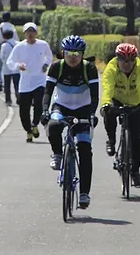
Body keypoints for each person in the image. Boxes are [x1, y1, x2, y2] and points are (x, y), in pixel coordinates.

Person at [41, 34, 99, 210]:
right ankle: (58, 154)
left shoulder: (89, 69)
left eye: (77, 53)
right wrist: (45, 110)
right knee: (53, 125)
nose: (73, 57)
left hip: (83, 108)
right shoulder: (56, 68)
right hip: (62, 107)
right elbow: (47, 92)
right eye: (69, 53)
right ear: (63, 53)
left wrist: (91, 114)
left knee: (85, 151)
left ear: (82, 54)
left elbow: (95, 95)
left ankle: (84, 193)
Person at [100, 42, 140, 188]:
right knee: (109, 113)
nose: (127, 64)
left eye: (130, 61)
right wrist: (106, 103)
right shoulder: (111, 68)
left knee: (136, 139)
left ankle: (135, 171)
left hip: (135, 102)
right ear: (118, 59)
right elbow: (107, 87)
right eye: (123, 60)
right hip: (117, 99)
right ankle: (111, 140)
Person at [8, 23, 52, 141]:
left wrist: (46, 65)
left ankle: (34, 124)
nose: (30, 34)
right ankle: (28, 130)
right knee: (24, 110)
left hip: (40, 81)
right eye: (28, 32)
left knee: (39, 105)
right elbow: (10, 62)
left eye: (33, 31)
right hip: (25, 83)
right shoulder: (19, 47)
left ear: (36, 33)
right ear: (25, 34)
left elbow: (49, 57)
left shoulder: (43, 45)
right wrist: (18, 65)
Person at [0, 12, 19, 92]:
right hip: (10, 52)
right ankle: (6, 84)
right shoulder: (12, 28)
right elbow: (16, 41)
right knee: (9, 69)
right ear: (9, 18)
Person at [0, 26, 19, 107]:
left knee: (7, 85)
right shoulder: (18, 44)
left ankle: (8, 100)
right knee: (17, 85)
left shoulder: (4, 46)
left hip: (7, 68)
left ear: (4, 36)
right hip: (17, 68)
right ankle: (19, 99)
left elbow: (1, 57)